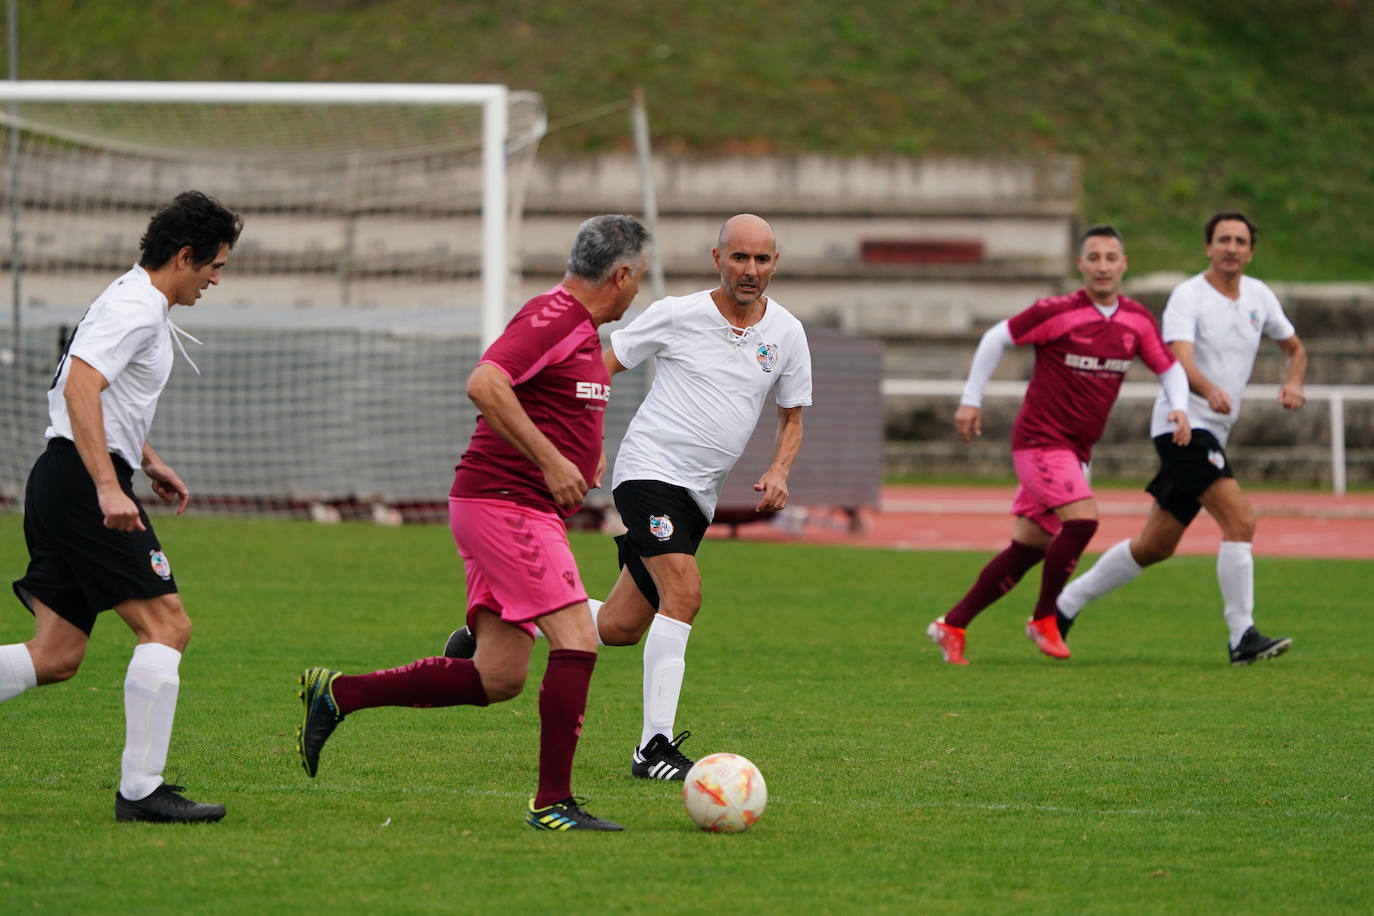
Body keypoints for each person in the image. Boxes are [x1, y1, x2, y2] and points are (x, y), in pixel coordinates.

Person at [296, 214, 651, 831]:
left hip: (516, 506)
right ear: (621, 275)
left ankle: (338, 693)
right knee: (578, 638)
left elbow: (558, 403)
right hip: (507, 504)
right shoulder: (554, 316)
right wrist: (551, 460)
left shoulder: (581, 330)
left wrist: (583, 455)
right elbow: (486, 381)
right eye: (639, 278)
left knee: (499, 676)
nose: (638, 288)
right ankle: (553, 804)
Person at [444, 213, 813, 781]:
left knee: (618, 627)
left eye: (762, 259)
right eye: (739, 257)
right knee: (684, 594)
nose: (750, 270)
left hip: (698, 496)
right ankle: (653, 748)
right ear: (717, 260)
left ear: (775, 264)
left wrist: (780, 469)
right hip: (648, 472)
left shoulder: (787, 333)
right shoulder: (677, 314)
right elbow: (602, 365)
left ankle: (495, 618)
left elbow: (792, 417)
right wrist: (586, 441)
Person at [2, 191, 243, 822]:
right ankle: (142, 791)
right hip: (83, 482)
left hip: (65, 477)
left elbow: (97, 393)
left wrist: (146, 458)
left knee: (55, 656)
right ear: (184, 255)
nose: (216, 280)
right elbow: (81, 385)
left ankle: (142, 789)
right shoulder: (137, 307)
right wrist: (109, 485)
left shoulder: (135, 299)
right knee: (168, 626)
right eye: (214, 266)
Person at [926, 225, 1191, 665]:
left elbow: (1170, 368)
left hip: (1074, 451)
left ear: (1124, 265)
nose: (1103, 266)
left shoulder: (1137, 321)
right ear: (1080, 264)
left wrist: (1179, 407)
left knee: (1028, 549)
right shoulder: (1057, 311)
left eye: (1111, 258)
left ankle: (951, 624)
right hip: (1040, 442)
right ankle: (1045, 617)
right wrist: (971, 400)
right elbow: (997, 337)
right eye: (1094, 257)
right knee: (1083, 521)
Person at [1056, 212, 1305, 665]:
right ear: (1208, 247)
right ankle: (1242, 636)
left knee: (1155, 545)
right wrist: (1208, 390)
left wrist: (1295, 382)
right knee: (1240, 521)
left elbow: (1295, 348)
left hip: (1213, 431)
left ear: (1252, 251)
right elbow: (1178, 361)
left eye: (1240, 241)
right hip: (1182, 428)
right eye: (1223, 239)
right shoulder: (1188, 297)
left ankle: (1063, 606)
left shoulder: (1259, 296)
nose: (1231, 247)